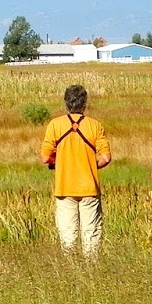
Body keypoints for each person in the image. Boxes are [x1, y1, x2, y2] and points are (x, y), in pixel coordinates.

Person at [40, 84, 112, 256]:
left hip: (64, 188)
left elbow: (45, 158)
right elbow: (106, 157)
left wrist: (58, 163)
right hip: (89, 188)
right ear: (84, 103)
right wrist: (90, 165)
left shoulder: (55, 125)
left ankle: (70, 266)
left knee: (68, 236)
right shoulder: (95, 125)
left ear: (66, 102)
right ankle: (91, 266)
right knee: (91, 235)